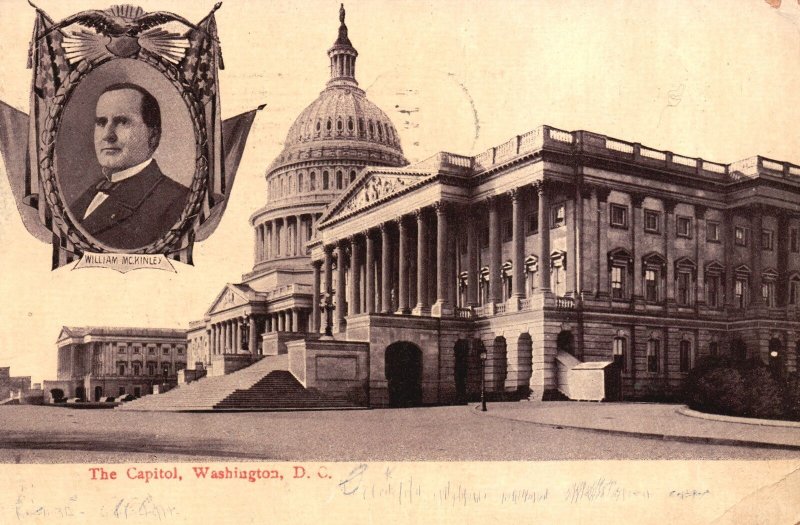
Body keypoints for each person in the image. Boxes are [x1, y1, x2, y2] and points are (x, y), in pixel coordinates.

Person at [70, 83, 190, 249]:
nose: (107, 135)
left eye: (122, 122)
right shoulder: (89, 194)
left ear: (153, 135)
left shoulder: (179, 202)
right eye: (101, 122)